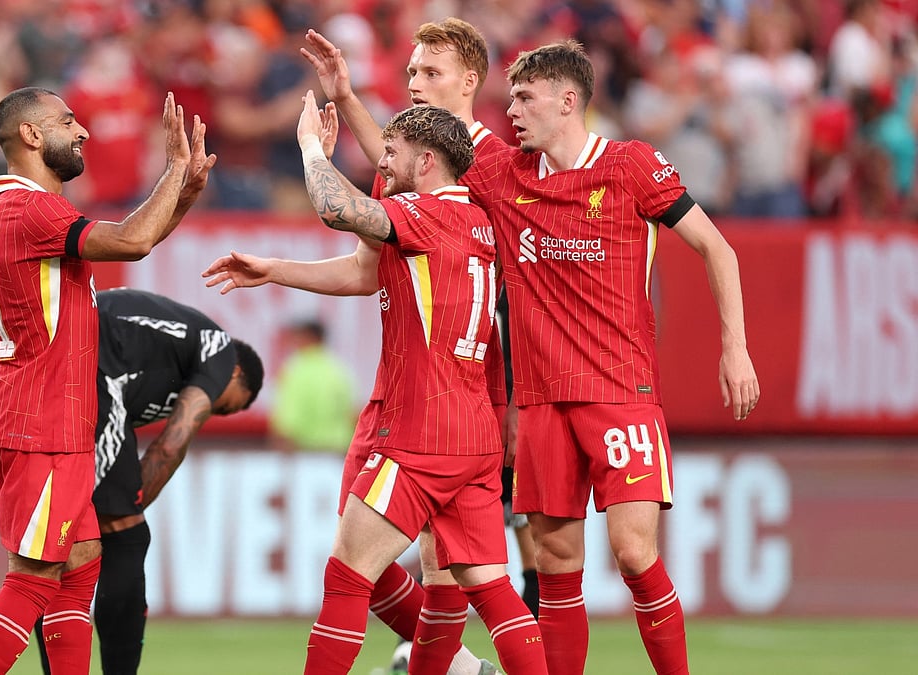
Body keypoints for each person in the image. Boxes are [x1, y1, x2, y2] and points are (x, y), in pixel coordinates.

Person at [211, 95, 546, 675]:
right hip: (472, 432)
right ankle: (467, 668)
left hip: (420, 428)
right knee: (492, 591)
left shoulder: (425, 213)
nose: (382, 165)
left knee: (346, 574)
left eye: (391, 153)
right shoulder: (479, 225)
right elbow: (364, 272)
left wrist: (312, 148)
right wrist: (276, 269)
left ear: (427, 164)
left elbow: (336, 208)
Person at [497, 41, 760, 675]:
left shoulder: (631, 166)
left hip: (620, 391)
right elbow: (423, 149)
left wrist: (736, 349)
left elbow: (717, 249)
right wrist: (345, 103)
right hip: (541, 400)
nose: (511, 111)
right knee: (556, 564)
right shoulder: (503, 176)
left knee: (633, 551)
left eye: (524, 98)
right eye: (509, 98)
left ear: (568, 101)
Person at [299, 19, 543, 670]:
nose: (414, 83)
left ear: (470, 80)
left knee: (432, 566)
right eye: (410, 72)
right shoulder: (409, 162)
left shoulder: (496, 163)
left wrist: (521, 399)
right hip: (399, 385)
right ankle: (459, 666)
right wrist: (347, 97)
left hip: (466, 390)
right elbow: (368, 255)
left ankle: (450, 665)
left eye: (430, 73)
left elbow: (523, 284)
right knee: (417, 564)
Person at [0, 86, 215, 675]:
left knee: (81, 562)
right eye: (68, 121)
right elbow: (132, 240)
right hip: (43, 422)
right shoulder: (32, 210)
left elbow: (134, 239)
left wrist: (182, 196)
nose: (83, 133)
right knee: (35, 576)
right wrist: (173, 170)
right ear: (30, 135)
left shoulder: (19, 215)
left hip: (42, 416)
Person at [33, 287, 264, 675]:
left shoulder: (158, 367)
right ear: (236, 373)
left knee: (53, 548)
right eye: (225, 406)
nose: (212, 412)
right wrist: (127, 509)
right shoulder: (219, 351)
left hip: (29, 372)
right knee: (126, 534)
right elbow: (170, 447)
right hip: (87, 362)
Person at [269, 318, 357, 452]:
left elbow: (287, 422)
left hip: (306, 454)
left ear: (309, 338)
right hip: (339, 453)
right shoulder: (339, 370)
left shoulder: (297, 370)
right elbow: (353, 415)